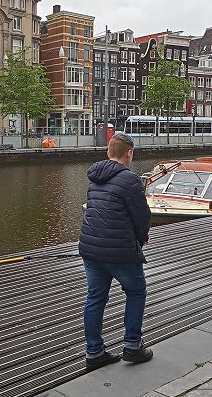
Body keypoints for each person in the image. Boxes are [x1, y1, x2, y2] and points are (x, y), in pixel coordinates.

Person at [78, 132, 153, 371]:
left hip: (91, 249)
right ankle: (132, 346)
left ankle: (94, 352)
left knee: (95, 298)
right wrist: (140, 240)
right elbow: (142, 217)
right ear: (129, 153)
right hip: (120, 251)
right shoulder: (129, 180)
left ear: (108, 152)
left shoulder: (94, 178)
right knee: (136, 291)